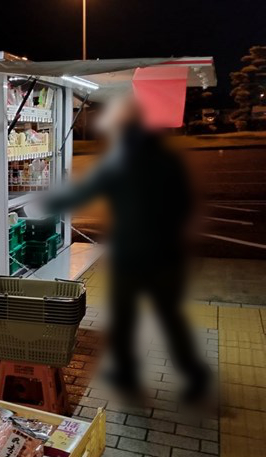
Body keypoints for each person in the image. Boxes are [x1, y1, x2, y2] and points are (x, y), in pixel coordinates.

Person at [47, 94, 210, 401]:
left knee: (124, 314)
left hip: (132, 253)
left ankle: (127, 373)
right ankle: (193, 375)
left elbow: (83, 191)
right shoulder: (166, 159)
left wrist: (46, 203)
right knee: (167, 314)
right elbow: (185, 203)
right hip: (165, 252)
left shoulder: (119, 159)